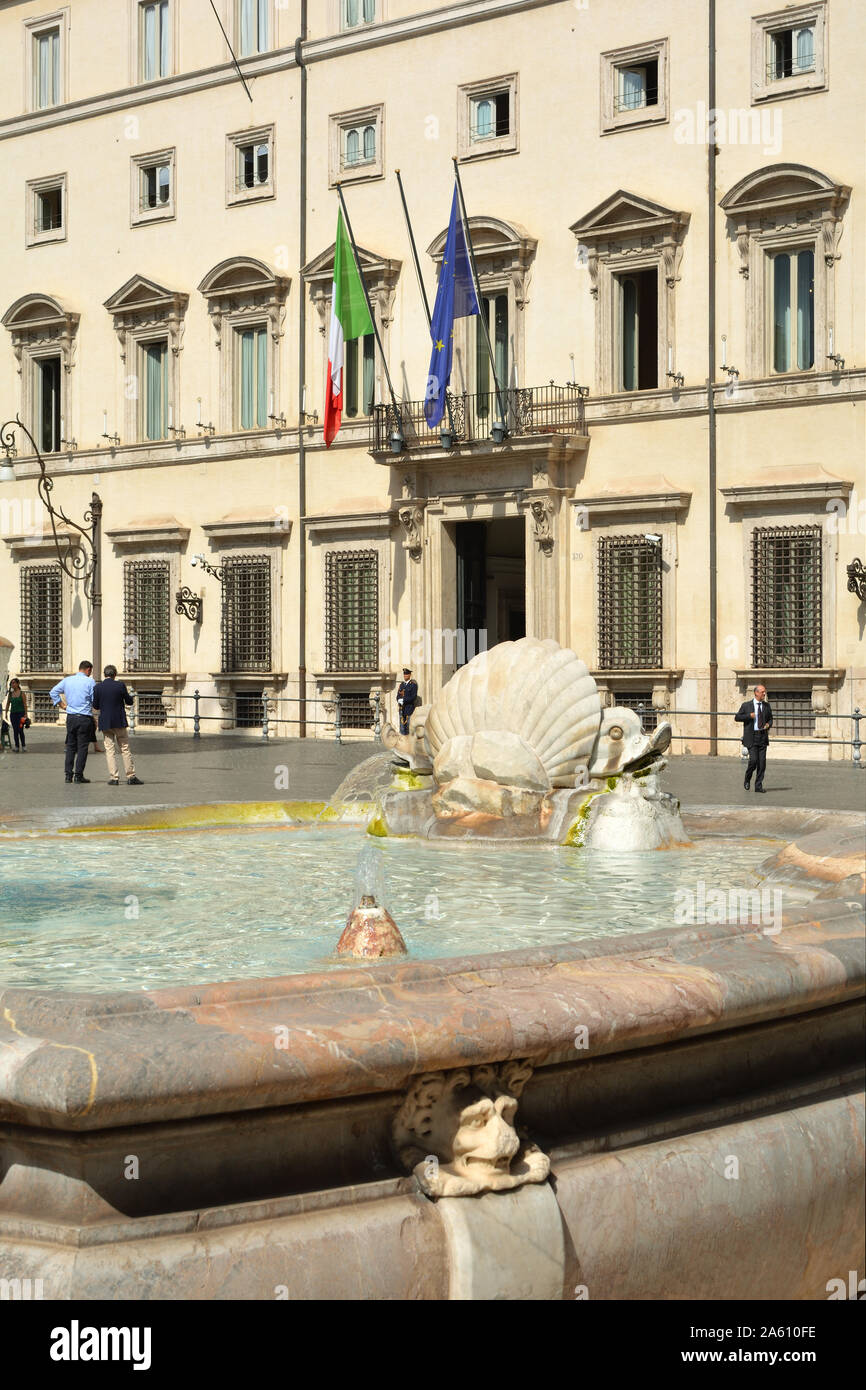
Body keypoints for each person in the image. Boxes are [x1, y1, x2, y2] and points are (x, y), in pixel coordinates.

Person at [92, 664, 142, 786]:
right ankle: (131, 776)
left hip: (105, 723)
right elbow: (129, 701)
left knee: (109, 750)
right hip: (119, 721)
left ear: (105, 674)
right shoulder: (120, 685)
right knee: (124, 748)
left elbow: (96, 705)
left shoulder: (98, 687)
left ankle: (114, 777)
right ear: (115, 674)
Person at [50, 660, 96, 783]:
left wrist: (62, 705)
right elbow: (94, 699)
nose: (90, 674)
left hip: (70, 717)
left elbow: (53, 691)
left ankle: (68, 775)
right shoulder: (90, 681)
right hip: (84, 717)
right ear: (88, 670)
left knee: (70, 746)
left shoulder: (68, 680)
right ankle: (78, 775)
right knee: (82, 747)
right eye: (90, 671)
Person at [735, 683, 773, 793]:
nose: (764, 694)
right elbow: (737, 717)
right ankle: (747, 779)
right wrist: (749, 716)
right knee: (753, 761)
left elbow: (770, 719)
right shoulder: (746, 705)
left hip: (762, 737)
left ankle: (758, 786)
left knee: (762, 763)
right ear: (756, 693)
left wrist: (768, 725)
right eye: (762, 692)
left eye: (764, 692)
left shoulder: (766, 706)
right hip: (751, 737)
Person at [5, 678, 28, 752]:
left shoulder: (22, 693)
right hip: (13, 714)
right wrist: (6, 713)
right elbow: (8, 704)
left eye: (14, 683)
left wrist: (25, 714)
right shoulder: (10, 694)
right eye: (12, 683)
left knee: (20, 730)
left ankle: (23, 746)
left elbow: (25, 704)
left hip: (20, 714)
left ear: (18, 684)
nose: (13, 684)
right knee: (15, 730)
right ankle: (17, 746)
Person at [396, 666, 418, 736]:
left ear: (409, 675)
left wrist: (404, 700)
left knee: (408, 727)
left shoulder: (413, 685)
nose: (405, 676)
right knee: (402, 727)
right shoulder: (402, 684)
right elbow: (398, 695)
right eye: (404, 674)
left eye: (406, 674)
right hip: (401, 709)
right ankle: (403, 741)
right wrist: (398, 700)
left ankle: (408, 742)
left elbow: (413, 697)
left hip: (409, 709)